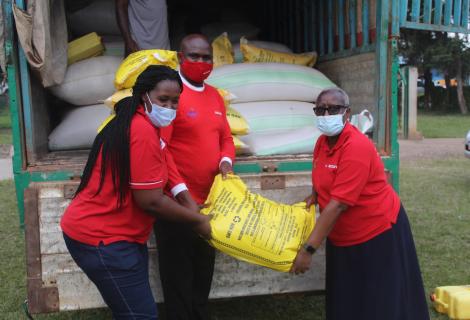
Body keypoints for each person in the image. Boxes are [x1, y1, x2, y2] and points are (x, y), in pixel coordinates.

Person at [60, 65, 211, 320]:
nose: (170, 108)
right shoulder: (141, 130)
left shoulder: (146, 122)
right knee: (141, 315)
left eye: (176, 101)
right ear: (145, 95)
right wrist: (198, 221)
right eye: (164, 99)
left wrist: (186, 198)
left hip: (121, 238)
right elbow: (150, 201)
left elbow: (165, 158)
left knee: (132, 311)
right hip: (102, 239)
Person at [291, 88, 430, 320]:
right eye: (320, 109)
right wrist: (315, 195)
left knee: (378, 300)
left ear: (347, 113)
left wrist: (308, 249)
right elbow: (322, 173)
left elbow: (338, 205)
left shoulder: (356, 146)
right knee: (347, 298)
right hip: (342, 235)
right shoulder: (322, 143)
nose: (326, 115)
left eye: (333, 109)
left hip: (376, 232)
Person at [155, 34, 235, 320]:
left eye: (206, 57)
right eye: (194, 56)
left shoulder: (214, 95)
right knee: (178, 275)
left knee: (203, 270)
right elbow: (161, 151)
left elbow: (225, 136)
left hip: (210, 202)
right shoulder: (169, 94)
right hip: (176, 204)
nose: (201, 62)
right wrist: (182, 195)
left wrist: (226, 161)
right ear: (180, 57)